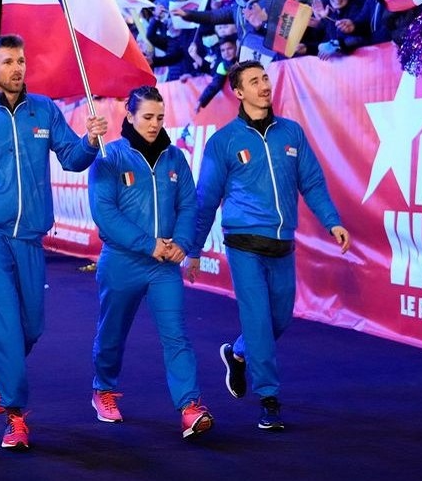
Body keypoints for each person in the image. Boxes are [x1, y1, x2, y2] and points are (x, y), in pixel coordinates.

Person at [0, 33, 108, 450]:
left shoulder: (44, 110)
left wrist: (88, 140)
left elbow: (72, 159)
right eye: (8, 62)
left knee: (32, 327)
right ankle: (16, 417)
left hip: (31, 236)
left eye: (21, 61)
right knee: (10, 330)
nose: (17, 68)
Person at [191, 60, 350, 430]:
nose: (264, 85)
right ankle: (270, 400)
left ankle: (238, 352)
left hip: (283, 245)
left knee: (279, 319)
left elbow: (311, 182)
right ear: (238, 92)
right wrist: (195, 250)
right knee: (259, 321)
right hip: (243, 244)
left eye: (265, 78)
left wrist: (333, 222)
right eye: (254, 81)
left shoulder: (291, 134)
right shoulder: (223, 142)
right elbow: (205, 201)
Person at [86, 85, 214, 439]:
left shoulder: (175, 159)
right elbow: (104, 213)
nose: (155, 124)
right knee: (112, 334)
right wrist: (147, 244)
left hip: (163, 266)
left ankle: (190, 407)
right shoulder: (108, 157)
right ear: (129, 116)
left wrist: (183, 244)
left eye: (160, 117)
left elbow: (189, 205)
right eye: (147, 117)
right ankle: (104, 389)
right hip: (121, 262)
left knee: (177, 336)